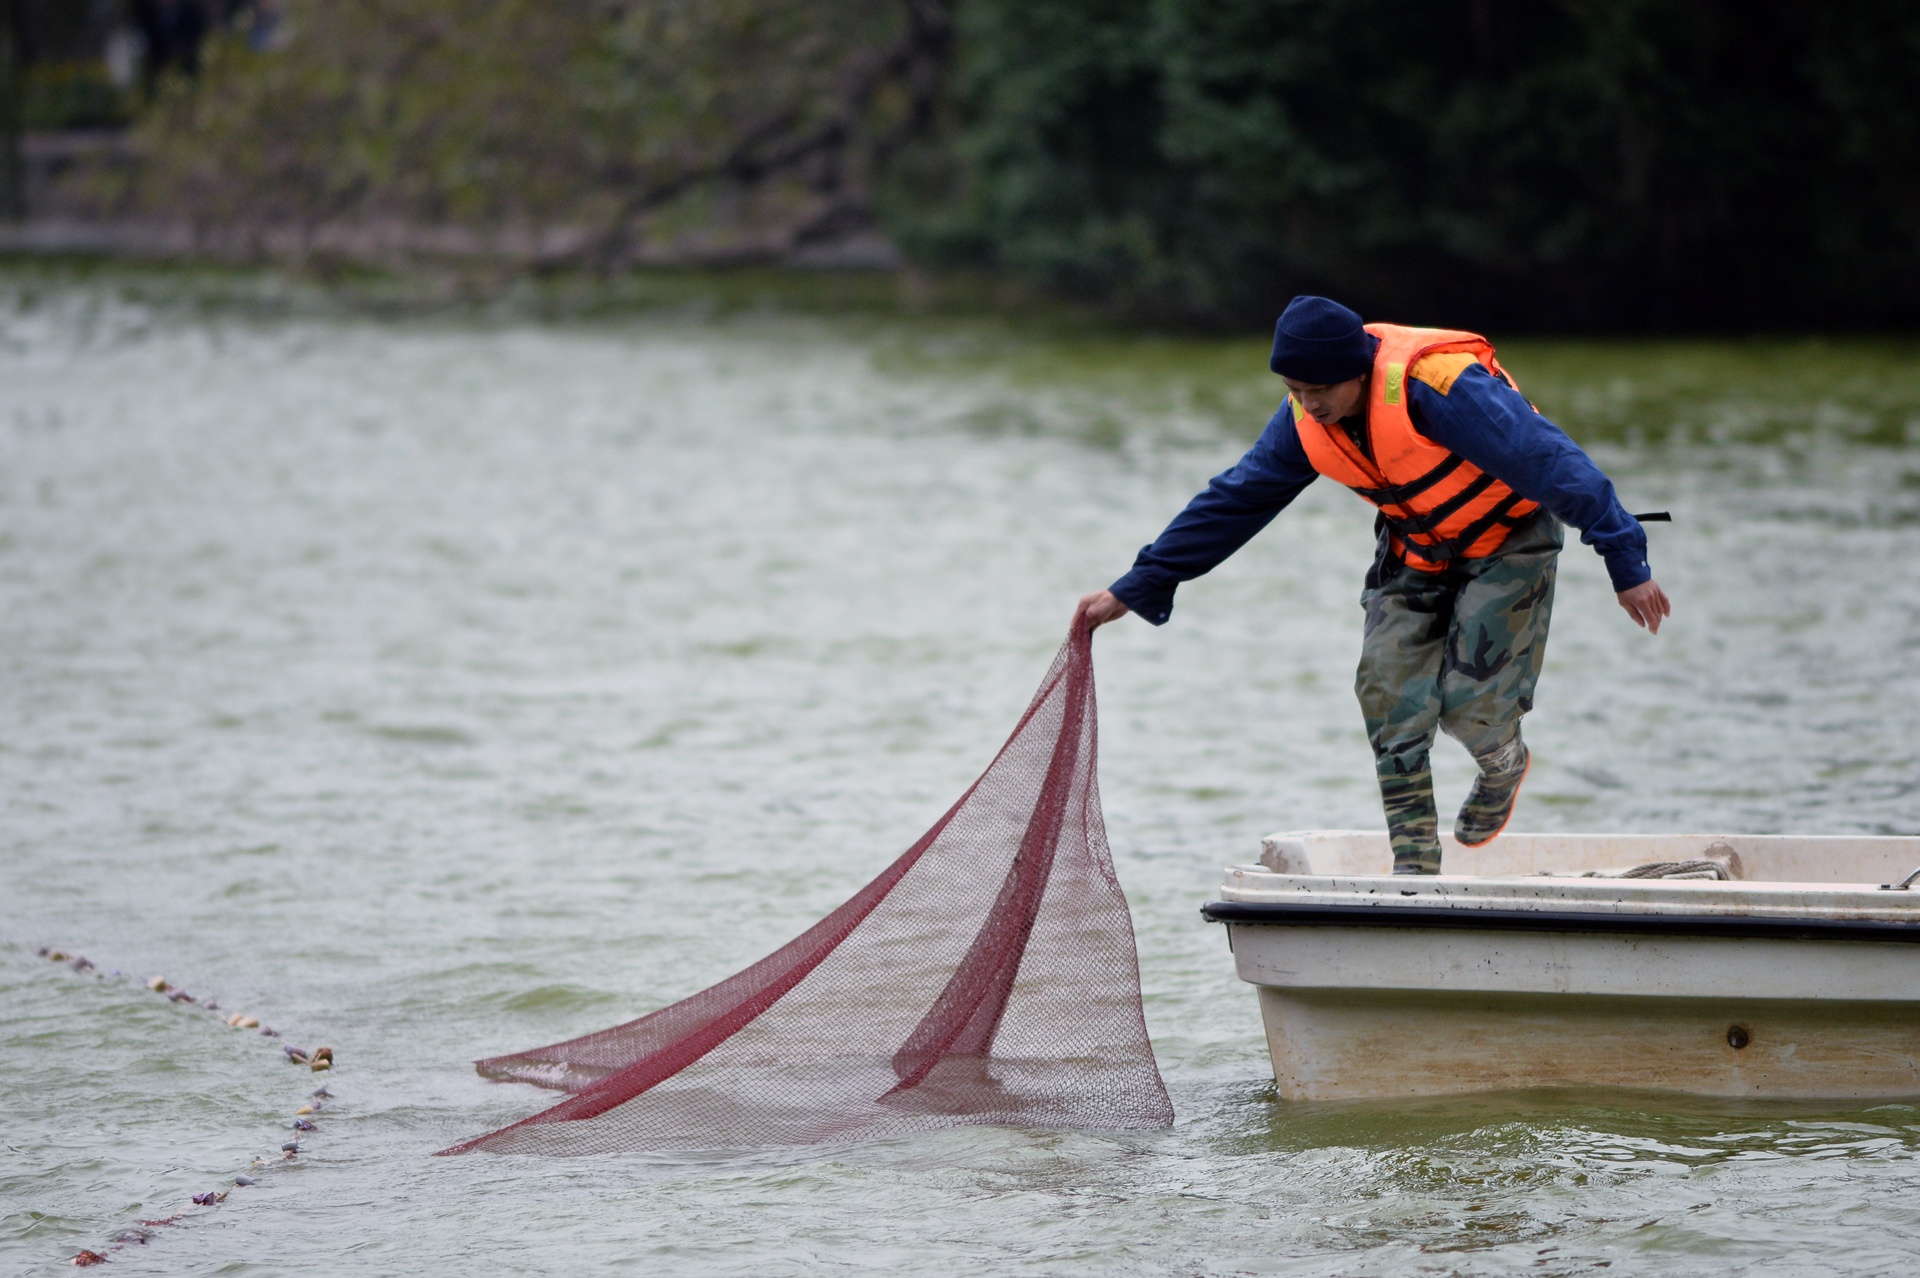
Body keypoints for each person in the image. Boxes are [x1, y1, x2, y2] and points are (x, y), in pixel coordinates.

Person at [1076, 296, 1671, 874]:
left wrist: (1626, 560)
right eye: (1296, 391)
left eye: (1321, 390)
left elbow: (1553, 462)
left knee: (1470, 711)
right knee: (1389, 698)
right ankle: (1414, 868)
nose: (1309, 405)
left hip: (1505, 540)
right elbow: (1235, 499)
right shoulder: (1304, 419)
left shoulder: (1440, 389)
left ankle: (1502, 761)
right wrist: (1137, 585)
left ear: (1358, 371)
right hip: (1415, 552)